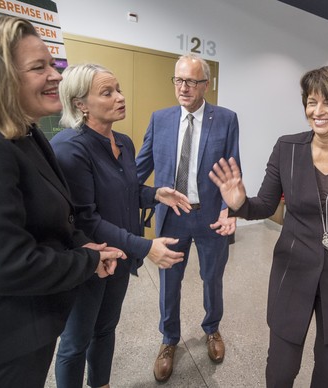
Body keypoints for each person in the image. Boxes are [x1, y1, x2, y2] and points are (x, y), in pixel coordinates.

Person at [0, 15, 126, 387]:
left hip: (20, 336)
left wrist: (82, 243)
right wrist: (88, 259)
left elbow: (55, 219)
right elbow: (4, 266)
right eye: (39, 67)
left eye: (54, 65)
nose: (57, 76)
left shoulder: (23, 132)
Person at [209, 64, 328, 388]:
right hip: (293, 269)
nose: (318, 111)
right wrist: (239, 204)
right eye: (311, 101)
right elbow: (265, 205)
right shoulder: (287, 148)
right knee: (281, 370)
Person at [50, 63, 191, 388]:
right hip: (90, 261)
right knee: (75, 342)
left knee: (105, 329)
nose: (120, 97)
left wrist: (156, 193)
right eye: (107, 92)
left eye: (118, 89)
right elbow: (87, 218)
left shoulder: (123, 142)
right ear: (80, 104)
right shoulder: (71, 148)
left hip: (121, 258)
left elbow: (126, 192)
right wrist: (146, 247)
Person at [136, 53, 241, 382]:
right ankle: (169, 339)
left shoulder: (226, 119)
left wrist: (230, 209)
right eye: (178, 80)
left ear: (206, 85)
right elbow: (138, 171)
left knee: (213, 278)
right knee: (169, 282)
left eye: (192, 81)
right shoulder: (160, 119)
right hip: (172, 216)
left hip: (210, 216)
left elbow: (233, 171)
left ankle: (212, 329)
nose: (183, 87)